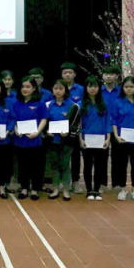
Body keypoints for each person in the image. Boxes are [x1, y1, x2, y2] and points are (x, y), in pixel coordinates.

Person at [111, 76, 134, 202]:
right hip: (122, 139)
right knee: (122, 164)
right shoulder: (117, 102)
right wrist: (116, 136)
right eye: (126, 87)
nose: (129, 89)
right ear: (122, 88)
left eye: (131, 87)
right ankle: (123, 189)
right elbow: (114, 121)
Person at [11, 77, 48, 200]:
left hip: (35, 140)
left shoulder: (40, 103)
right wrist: (16, 129)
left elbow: (44, 119)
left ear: (34, 88)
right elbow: (13, 119)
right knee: (22, 166)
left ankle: (35, 190)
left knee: (35, 166)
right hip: (20, 141)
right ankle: (24, 188)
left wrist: (37, 132)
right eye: (23, 87)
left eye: (28, 87)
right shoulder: (16, 103)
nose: (25, 89)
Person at [45, 79, 81, 201]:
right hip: (52, 141)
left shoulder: (73, 106)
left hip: (66, 142)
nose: (58, 91)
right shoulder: (47, 105)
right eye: (56, 88)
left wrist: (68, 132)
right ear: (52, 90)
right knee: (54, 165)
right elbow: (44, 122)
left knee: (65, 165)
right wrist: (47, 132)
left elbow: (76, 125)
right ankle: (56, 189)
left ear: (65, 90)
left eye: (61, 88)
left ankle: (66, 190)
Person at [79, 76, 111, 201]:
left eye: (95, 86)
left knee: (99, 166)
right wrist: (80, 139)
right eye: (90, 86)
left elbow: (108, 122)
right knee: (87, 165)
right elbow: (79, 124)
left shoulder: (104, 104)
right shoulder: (81, 104)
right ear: (86, 88)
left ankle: (97, 190)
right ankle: (89, 190)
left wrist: (108, 138)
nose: (93, 89)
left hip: (101, 139)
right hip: (86, 139)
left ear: (99, 88)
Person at [60, 62, 84, 195]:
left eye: (70, 72)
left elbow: (82, 105)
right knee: (61, 155)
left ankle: (75, 182)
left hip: (75, 128)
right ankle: (62, 182)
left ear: (74, 74)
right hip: (59, 128)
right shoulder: (58, 88)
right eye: (65, 73)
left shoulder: (81, 89)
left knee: (75, 156)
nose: (67, 75)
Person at [100, 65, 121, 192]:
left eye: (111, 74)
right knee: (101, 156)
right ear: (102, 76)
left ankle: (116, 183)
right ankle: (101, 183)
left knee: (117, 156)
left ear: (116, 76)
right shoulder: (98, 91)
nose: (108, 76)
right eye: (106, 74)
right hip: (102, 128)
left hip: (118, 128)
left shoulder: (122, 91)